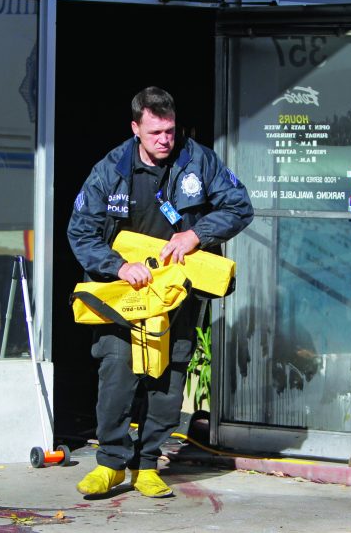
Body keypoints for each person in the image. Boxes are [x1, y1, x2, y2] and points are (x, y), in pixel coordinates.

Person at [67, 87, 253, 497]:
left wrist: (196, 234)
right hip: (125, 292)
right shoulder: (111, 169)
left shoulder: (197, 160)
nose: (165, 140)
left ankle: (148, 464)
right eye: (154, 133)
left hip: (176, 292)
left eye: (169, 131)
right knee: (117, 373)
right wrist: (118, 265)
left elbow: (239, 206)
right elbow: (79, 231)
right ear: (135, 128)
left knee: (168, 379)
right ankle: (111, 464)